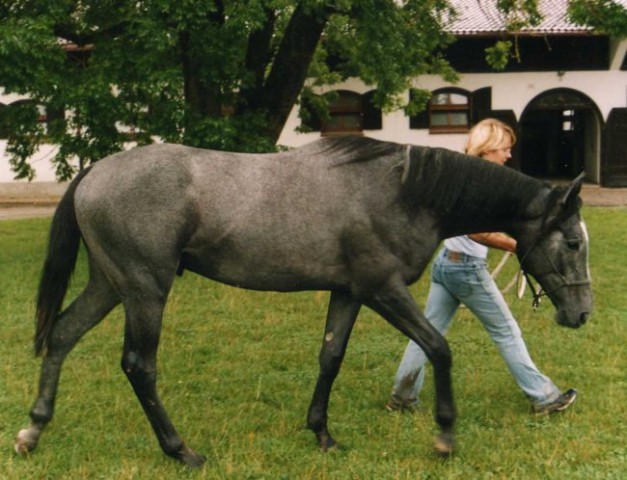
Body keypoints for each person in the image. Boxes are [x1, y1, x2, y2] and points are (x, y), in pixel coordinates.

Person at [386, 118, 577, 416]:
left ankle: (402, 396)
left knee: (427, 332)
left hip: (446, 262)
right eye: (505, 148)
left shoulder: (464, 172)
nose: (509, 155)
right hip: (466, 269)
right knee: (506, 331)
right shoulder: (476, 179)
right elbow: (476, 231)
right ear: (488, 149)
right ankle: (544, 397)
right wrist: (515, 246)